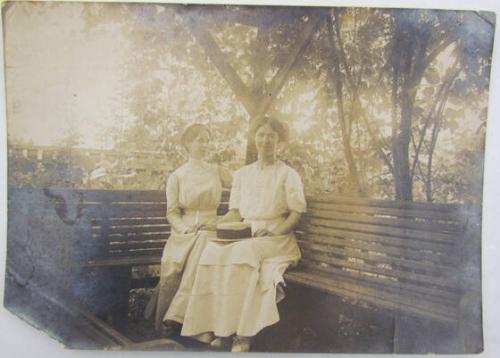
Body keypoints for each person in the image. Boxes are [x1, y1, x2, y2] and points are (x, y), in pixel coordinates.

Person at [178, 117, 307, 352]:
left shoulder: (288, 175)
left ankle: (244, 335)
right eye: (261, 135)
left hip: (277, 239)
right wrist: (213, 224)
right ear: (253, 138)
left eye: (271, 136)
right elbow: (235, 214)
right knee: (213, 251)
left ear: (280, 141)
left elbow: (296, 214)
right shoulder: (242, 174)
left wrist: (273, 230)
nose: (265, 140)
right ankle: (220, 328)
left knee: (243, 252)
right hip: (248, 234)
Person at [144, 123, 231, 335]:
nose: (204, 144)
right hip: (185, 231)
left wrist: (222, 220)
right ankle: (174, 318)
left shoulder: (216, 171)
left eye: (207, 140)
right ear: (187, 143)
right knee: (181, 261)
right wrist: (185, 229)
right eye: (199, 140)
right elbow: (172, 212)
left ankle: (183, 319)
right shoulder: (177, 176)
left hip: (213, 228)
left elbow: (245, 183)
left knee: (204, 243)